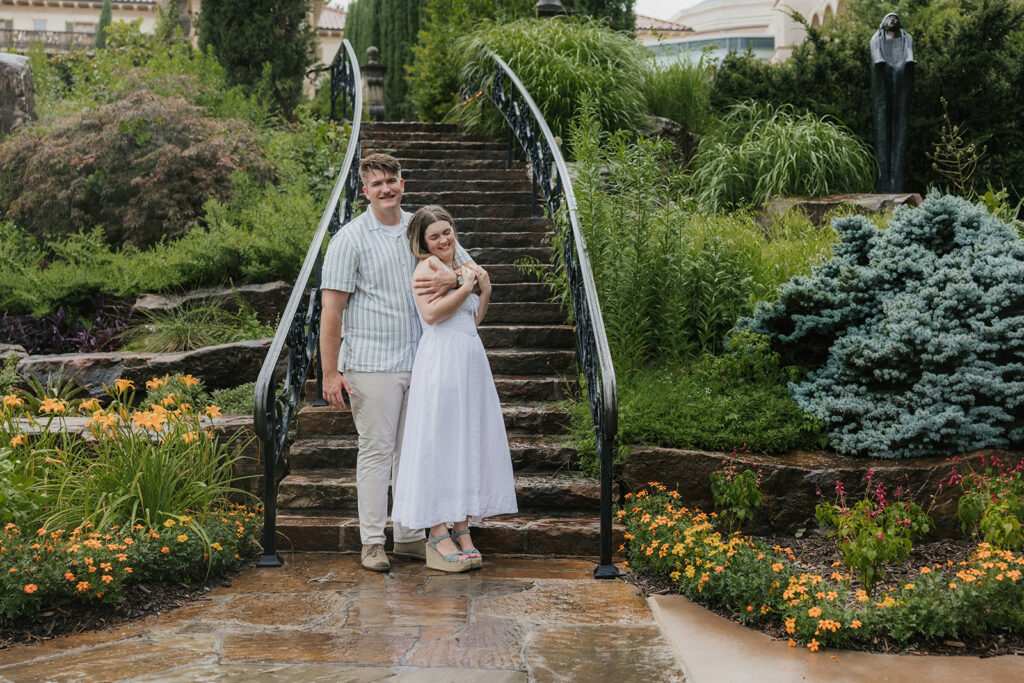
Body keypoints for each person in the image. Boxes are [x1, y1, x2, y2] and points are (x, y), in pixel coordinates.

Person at [320, 154, 473, 572]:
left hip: (423, 360)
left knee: (414, 452)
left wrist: (456, 278)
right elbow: (331, 311)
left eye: (392, 180)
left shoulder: (420, 231)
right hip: (372, 363)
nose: (386, 188)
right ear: (364, 191)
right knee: (377, 452)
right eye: (377, 183)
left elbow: (469, 269)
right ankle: (372, 542)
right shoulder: (349, 239)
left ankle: (407, 536)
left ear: (402, 183)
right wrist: (330, 372)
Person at [391, 205, 518, 573]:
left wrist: (485, 289)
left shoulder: (459, 266)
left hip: (469, 358)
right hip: (442, 361)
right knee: (439, 442)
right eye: (435, 236)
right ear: (422, 243)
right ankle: (436, 530)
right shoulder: (427, 268)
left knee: (465, 442)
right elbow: (433, 315)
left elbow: (472, 317)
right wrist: (465, 284)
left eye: (447, 232)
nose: (444, 240)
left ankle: (462, 525)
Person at [870, 12, 914, 193]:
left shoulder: (906, 39)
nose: (893, 20)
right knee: (882, 131)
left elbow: (909, 54)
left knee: (900, 130)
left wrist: (909, 62)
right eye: (889, 18)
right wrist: (880, 62)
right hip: (883, 88)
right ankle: (883, 183)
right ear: (883, 23)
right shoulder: (877, 39)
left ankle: (897, 183)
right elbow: (875, 54)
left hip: (901, 86)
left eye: (896, 18)